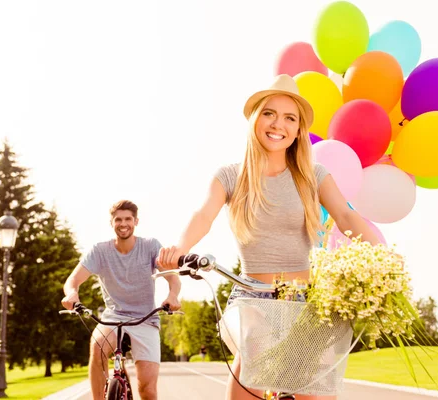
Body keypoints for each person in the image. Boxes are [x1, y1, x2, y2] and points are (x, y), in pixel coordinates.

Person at [157, 74, 380, 400]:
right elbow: (204, 215)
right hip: (253, 300)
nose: (279, 124)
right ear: (255, 120)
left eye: (290, 118)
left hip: (304, 301)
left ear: (299, 129)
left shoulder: (313, 177)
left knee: (316, 391)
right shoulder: (231, 175)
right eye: (269, 113)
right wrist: (181, 248)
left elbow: (346, 216)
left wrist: (381, 259)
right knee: (253, 361)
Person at [61, 200, 181, 400]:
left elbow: (173, 279)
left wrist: (172, 295)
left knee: (147, 391)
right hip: (112, 317)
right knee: (97, 346)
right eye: (118, 219)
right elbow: (73, 280)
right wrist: (72, 293)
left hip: (145, 319)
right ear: (111, 223)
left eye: (128, 219)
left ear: (136, 221)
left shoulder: (150, 246)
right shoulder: (99, 251)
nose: (123, 223)